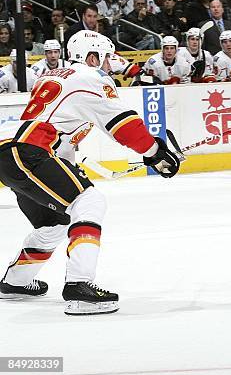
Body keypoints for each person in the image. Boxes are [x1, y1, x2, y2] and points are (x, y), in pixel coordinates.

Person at [0, 30, 181, 314]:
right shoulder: (90, 77)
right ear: (92, 57)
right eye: (106, 59)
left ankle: (15, 282)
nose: (109, 66)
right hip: (28, 152)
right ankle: (78, 287)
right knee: (90, 203)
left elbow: (61, 139)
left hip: (13, 152)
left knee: (55, 224)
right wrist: (155, 153)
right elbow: (122, 124)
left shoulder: (59, 77)